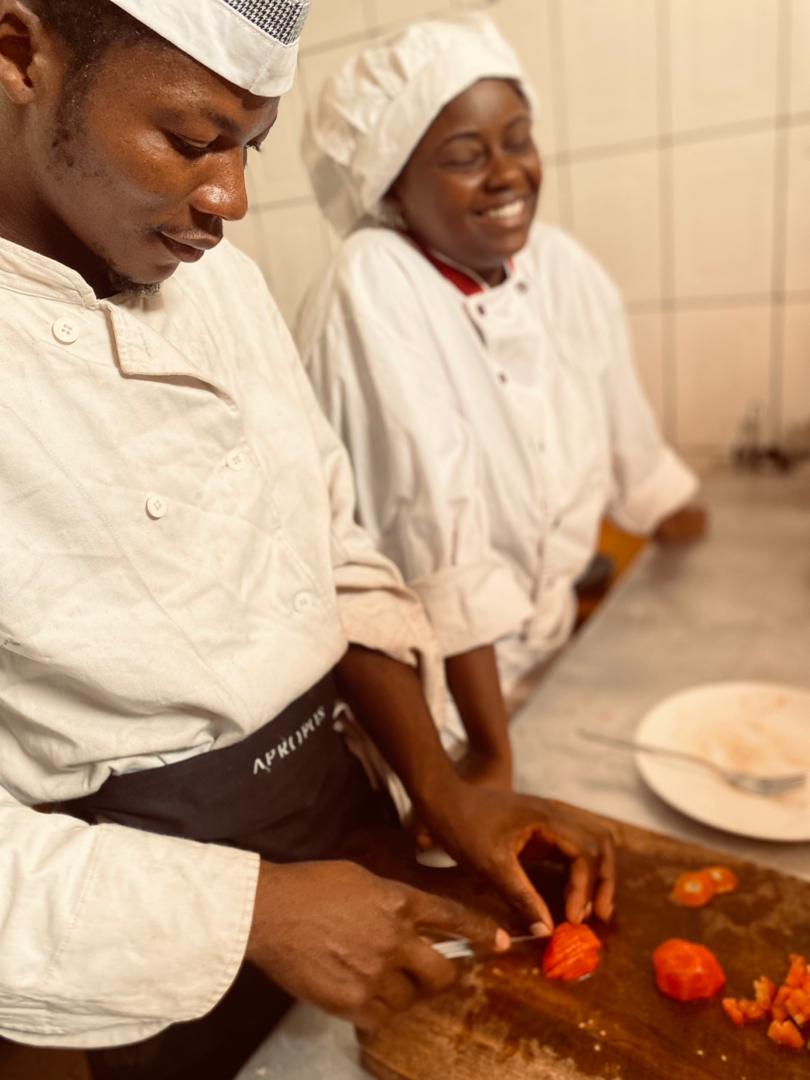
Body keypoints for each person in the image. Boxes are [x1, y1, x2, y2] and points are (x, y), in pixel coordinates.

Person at [0, 3, 615, 1078]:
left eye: (251, 146)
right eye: (193, 142)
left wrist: (441, 784)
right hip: (127, 918)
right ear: (19, 54)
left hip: (340, 796)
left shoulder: (215, 279)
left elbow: (329, 542)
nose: (231, 199)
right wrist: (252, 913)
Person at [298, 14, 706, 791]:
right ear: (391, 183)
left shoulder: (558, 267)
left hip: (556, 662)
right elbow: (435, 540)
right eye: (464, 156)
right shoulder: (374, 281)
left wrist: (722, 567)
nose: (508, 173)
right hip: (443, 712)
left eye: (518, 140)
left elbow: (638, 461)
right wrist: (491, 757)